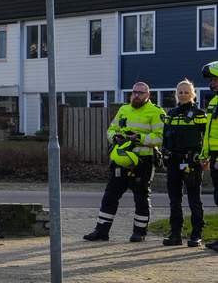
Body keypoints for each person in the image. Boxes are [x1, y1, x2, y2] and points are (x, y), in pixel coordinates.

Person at [84, 81, 164, 242]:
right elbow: (111, 129)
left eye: (141, 93)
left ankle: (139, 232)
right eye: (134, 92)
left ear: (148, 95)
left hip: (143, 161)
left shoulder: (156, 112)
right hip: (121, 159)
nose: (136, 95)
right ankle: (101, 231)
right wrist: (115, 137)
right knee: (110, 196)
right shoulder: (123, 109)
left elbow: (160, 137)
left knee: (141, 197)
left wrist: (139, 138)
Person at [160, 79, 208, 246]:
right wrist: (164, 153)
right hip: (173, 161)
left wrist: (203, 158)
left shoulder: (199, 114)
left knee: (194, 199)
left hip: (191, 161)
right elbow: (165, 137)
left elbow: (206, 139)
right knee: (174, 199)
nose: (183, 94)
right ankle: (175, 234)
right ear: (176, 94)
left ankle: (196, 234)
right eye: (180, 92)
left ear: (193, 94)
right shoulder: (171, 114)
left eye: (186, 92)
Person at [201, 61, 218, 251]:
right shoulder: (214, 102)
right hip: (213, 157)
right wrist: (205, 155)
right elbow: (209, 133)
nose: (211, 84)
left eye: (214, 79)